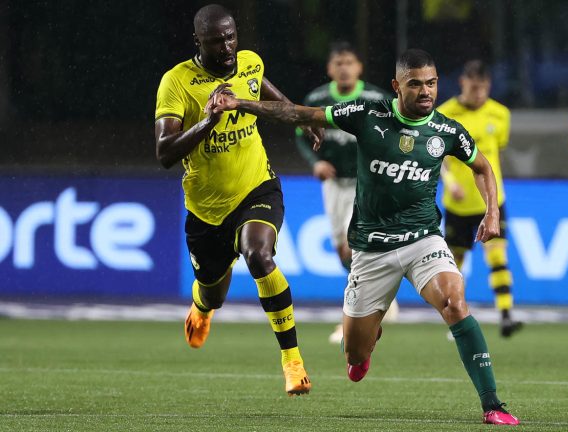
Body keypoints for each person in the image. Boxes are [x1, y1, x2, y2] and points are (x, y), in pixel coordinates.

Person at [211, 49, 520, 425]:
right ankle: (364, 344)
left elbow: (483, 167)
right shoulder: (366, 115)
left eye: (432, 83)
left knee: (455, 302)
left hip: (424, 239)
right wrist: (240, 103)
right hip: (372, 249)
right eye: (416, 84)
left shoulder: (446, 131)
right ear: (396, 86)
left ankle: (492, 404)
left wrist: (491, 212)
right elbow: (297, 114)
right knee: (354, 356)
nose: (426, 92)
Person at [154, 4, 317, 396]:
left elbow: (271, 96)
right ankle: (202, 306)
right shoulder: (176, 82)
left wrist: (304, 117)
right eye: (215, 40)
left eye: (230, 37)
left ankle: (293, 363)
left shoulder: (249, 64)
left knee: (258, 254)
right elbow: (164, 152)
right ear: (199, 41)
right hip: (206, 211)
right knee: (214, 291)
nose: (226, 46)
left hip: (257, 187)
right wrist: (208, 120)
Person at [295, 42, 399, 344]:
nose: (343, 68)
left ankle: (358, 315)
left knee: (356, 246)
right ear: (330, 69)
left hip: (365, 183)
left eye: (349, 62)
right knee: (343, 250)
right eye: (338, 63)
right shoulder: (318, 99)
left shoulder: (376, 98)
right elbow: (302, 133)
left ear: (359, 68)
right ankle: (381, 298)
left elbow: (394, 134)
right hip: (334, 184)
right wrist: (317, 161)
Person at [438, 60, 522, 338]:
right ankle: (456, 319)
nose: (479, 93)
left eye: (483, 87)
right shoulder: (446, 114)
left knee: (498, 256)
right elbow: (438, 157)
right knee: (455, 264)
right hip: (458, 204)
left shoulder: (500, 114)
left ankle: (506, 315)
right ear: (463, 83)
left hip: (491, 202)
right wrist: (450, 183)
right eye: (474, 87)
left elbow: (495, 152)